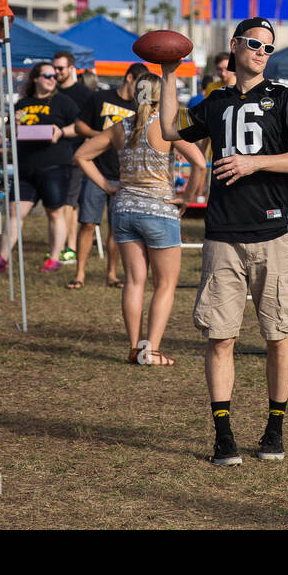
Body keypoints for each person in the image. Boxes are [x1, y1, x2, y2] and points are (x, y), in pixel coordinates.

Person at [159, 17, 288, 466]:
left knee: (278, 333)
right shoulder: (216, 101)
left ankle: (274, 429)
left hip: (273, 234)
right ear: (234, 45)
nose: (261, 52)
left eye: (268, 48)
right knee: (220, 336)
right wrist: (169, 74)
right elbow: (171, 129)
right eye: (254, 44)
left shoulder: (286, 98)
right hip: (222, 236)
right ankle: (223, 435)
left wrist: (257, 164)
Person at [77, 74, 205, 365]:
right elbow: (199, 162)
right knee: (164, 284)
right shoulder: (167, 128)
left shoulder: (120, 126)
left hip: (123, 209)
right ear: (163, 97)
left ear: (136, 95)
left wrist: (109, 186)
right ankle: (153, 351)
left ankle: (135, 348)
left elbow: (82, 155)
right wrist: (189, 197)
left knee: (134, 282)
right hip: (159, 210)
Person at [0, 61, 81, 274]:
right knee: (15, 210)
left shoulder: (63, 102)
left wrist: (61, 132)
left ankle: (54, 258)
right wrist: (14, 125)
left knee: (54, 212)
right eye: (47, 75)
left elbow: (80, 127)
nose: (52, 79)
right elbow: (10, 134)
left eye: (55, 76)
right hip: (26, 166)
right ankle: (3, 258)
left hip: (54, 164)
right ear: (35, 78)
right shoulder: (23, 103)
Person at [69, 62, 145, 289]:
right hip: (97, 171)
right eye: (139, 85)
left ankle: (112, 274)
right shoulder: (100, 98)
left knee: (117, 228)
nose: (141, 92)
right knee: (88, 224)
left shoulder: (138, 105)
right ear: (129, 78)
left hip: (123, 174)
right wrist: (105, 137)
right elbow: (79, 126)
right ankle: (79, 274)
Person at [53, 50, 94, 266]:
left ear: (71, 68)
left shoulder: (83, 94)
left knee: (69, 203)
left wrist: (85, 151)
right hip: (52, 155)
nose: (56, 73)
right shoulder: (50, 91)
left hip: (75, 155)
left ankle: (69, 248)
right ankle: (60, 246)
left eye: (60, 68)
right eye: (54, 68)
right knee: (59, 204)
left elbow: (91, 126)